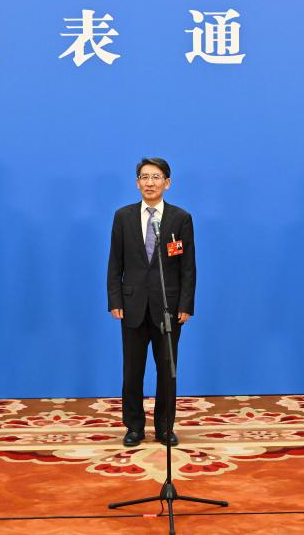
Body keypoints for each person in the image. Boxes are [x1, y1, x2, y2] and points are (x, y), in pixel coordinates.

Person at [107, 157, 195, 447]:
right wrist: (115, 299)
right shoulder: (123, 216)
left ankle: (164, 427)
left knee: (167, 372)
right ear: (137, 183)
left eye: (156, 177)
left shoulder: (180, 218)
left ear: (167, 183)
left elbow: (188, 267)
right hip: (132, 306)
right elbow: (115, 263)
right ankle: (133, 427)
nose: (150, 182)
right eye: (144, 177)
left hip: (168, 308)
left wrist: (185, 305)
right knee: (132, 372)